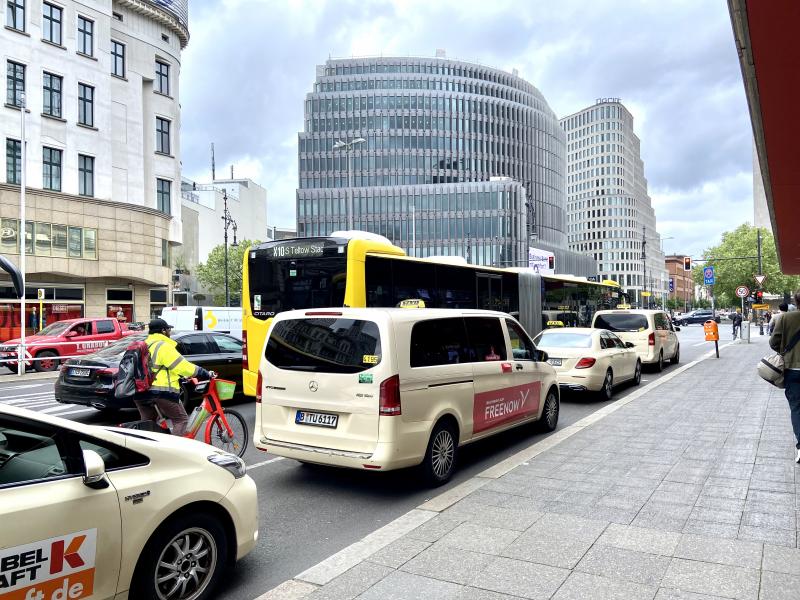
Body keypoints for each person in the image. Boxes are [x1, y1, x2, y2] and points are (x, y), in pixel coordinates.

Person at [134, 318, 209, 435]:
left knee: (148, 424)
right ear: (163, 331)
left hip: (141, 392)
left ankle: (147, 450)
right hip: (161, 392)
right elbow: (182, 366)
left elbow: (160, 367)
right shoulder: (163, 346)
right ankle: (176, 451)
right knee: (181, 420)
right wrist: (202, 372)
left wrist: (180, 376)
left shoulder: (144, 345)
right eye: (168, 329)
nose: (170, 332)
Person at [769, 291, 800, 463]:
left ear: (796, 302)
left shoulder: (786, 318)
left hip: (793, 369)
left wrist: (784, 353)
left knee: (796, 408)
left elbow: (774, 341)